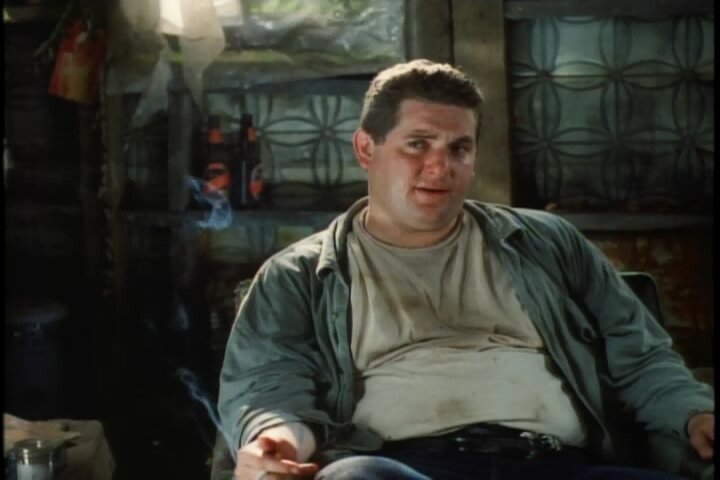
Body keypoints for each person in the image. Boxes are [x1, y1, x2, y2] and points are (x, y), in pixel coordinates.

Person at [218, 59, 714, 480]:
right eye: (418, 144)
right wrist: (276, 441)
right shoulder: (299, 275)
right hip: (402, 466)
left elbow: (641, 359)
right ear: (367, 149)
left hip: (554, 463)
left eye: (459, 148)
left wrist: (695, 414)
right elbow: (271, 386)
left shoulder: (547, 243)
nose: (440, 168)